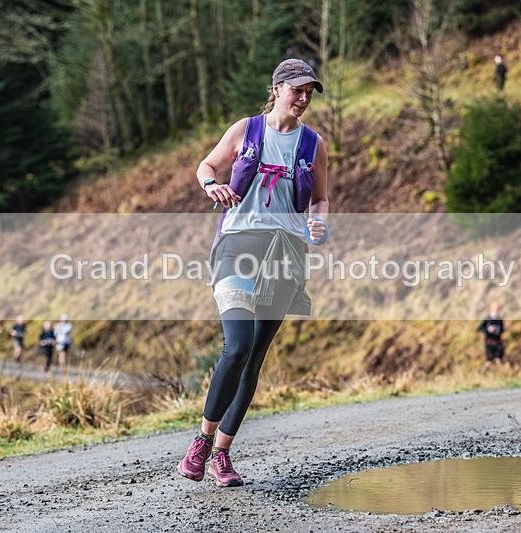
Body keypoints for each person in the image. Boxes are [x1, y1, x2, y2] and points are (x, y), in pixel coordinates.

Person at [178, 58, 328, 488]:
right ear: (277, 88)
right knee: (237, 345)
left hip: (285, 253)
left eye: (309, 92)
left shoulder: (313, 144)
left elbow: (320, 198)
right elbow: (206, 166)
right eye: (296, 90)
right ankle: (202, 442)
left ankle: (222, 454)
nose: (303, 99)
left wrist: (319, 222)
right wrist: (212, 185)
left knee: (254, 359)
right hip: (238, 247)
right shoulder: (246, 130)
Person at [477, 302, 505, 370]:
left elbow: (501, 330)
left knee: (499, 360)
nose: (496, 311)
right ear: (491, 310)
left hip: (498, 342)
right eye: (495, 310)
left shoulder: (499, 320)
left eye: (497, 310)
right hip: (489, 343)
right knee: (489, 362)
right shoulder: (487, 319)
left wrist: (502, 329)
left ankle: (503, 375)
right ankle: (482, 372)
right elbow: (479, 329)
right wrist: (488, 329)